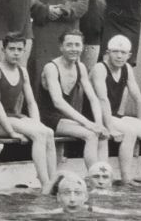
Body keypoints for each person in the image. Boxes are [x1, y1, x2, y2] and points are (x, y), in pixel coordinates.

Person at [0, 31, 57, 194]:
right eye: (12, 49)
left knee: (48, 132)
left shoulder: (23, 71)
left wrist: (37, 124)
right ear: (3, 50)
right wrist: (11, 132)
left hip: (14, 117)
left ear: (24, 51)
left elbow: (31, 102)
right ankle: (45, 185)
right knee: (38, 135)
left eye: (19, 49)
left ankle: (54, 180)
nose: (16, 53)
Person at [94, 34, 141, 185]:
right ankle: (126, 179)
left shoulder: (126, 68)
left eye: (123, 53)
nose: (119, 56)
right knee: (130, 131)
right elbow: (102, 99)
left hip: (114, 116)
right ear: (107, 52)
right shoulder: (100, 68)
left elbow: (137, 97)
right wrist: (111, 128)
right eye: (115, 52)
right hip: (96, 115)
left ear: (129, 55)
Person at [41, 28, 111, 170]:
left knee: (103, 134)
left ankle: (104, 178)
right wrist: (87, 123)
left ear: (82, 47)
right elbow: (58, 102)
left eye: (77, 45)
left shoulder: (81, 67)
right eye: (69, 45)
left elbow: (93, 98)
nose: (74, 49)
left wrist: (98, 123)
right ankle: (94, 178)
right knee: (90, 135)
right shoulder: (51, 67)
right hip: (48, 118)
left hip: (66, 119)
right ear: (61, 47)